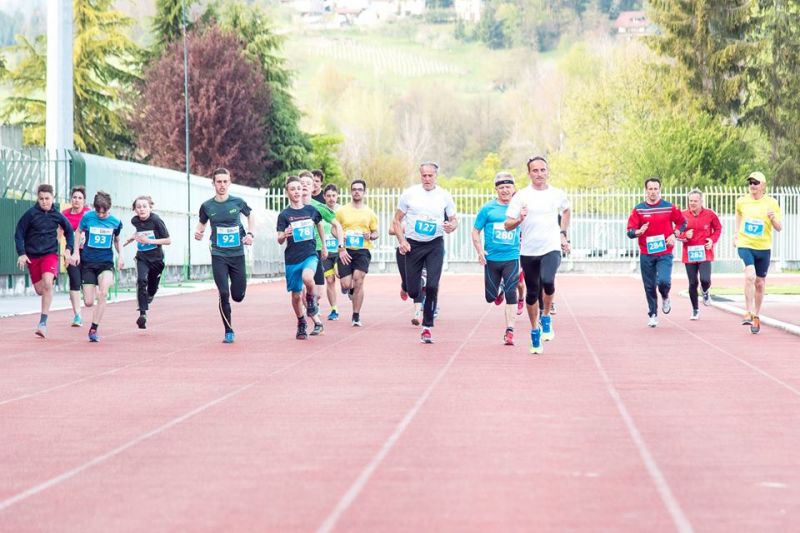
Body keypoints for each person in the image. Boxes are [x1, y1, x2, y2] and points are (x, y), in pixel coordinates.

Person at [505, 156, 571, 355]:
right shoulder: (521, 196)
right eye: (535, 170)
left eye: (543, 170)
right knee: (532, 292)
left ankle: (546, 316)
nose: (539, 174)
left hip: (551, 247)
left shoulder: (557, 194)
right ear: (529, 174)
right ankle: (535, 330)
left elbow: (566, 210)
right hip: (529, 251)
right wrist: (520, 219)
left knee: (548, 281)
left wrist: (563, 233)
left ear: (547, 171)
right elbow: (507, 224)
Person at [392, 162, 457, 344]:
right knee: (413, 291)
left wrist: (451, 226)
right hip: (413, 245)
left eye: (430, 176)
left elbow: (454, 220)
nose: (427, 179)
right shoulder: (409, 194)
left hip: (435, 245)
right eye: (424, 175)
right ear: (420, 176)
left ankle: (427, 327)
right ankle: (408, 287)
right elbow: (396, 220)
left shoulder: (444, 196)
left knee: (432, 286)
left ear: (436, 176)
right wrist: (402, 241)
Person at [194, 168, 255, 344]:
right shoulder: (207, 206)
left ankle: (237, 292)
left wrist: (250, 234)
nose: (222, 185)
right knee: (223, 293)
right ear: (213, 183)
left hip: (237, 254)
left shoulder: (238, 202)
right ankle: (228, 330)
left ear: (229, 183)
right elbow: (201, 224)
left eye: (225, 181)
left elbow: (251, 215)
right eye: (219, 182)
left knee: (238, 296)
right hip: (218, 254)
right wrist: (198, 232)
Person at [15, 183, 76, 338]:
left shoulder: (57, 215)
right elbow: (19, 233)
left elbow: (69, 232)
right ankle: (49, 283)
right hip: (33, 256)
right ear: (38, 198)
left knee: (48, 283)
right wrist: (21, 253)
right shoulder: (30, 214)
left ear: (52, 198)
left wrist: (68, 249)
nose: (44, 202)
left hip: (50, 254)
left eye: (47, 198)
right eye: (41, 198)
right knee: (40, 290)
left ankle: (42, 323)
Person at [626, 177, 686, 328]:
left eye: (655, 189)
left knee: (664, 281)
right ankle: (653, 314)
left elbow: (682, 222)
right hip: (646, 253)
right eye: (650, 189)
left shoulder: (669, 207)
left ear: (659, 190)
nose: (653, 192)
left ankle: (665, 296)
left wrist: (674, 234)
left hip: (664, 251)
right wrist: (638, 232)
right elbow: (630, 231)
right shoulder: (639, 209)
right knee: (649, 285)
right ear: (646, 191)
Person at [277, 176, 331, 340]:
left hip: (310, 254)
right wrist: (284, 234)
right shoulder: (284, 215)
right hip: (293, 258)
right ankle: (301, 322)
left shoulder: (311, 210)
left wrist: (324, 245)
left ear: (302, 191)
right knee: (295, 296)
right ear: (287, 192)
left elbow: (319, 225)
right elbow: (279, 239)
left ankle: (311, 301)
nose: (296, 192)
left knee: (308, 277)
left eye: (298, 188)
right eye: (292, 189)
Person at [472, 172, 521, 345]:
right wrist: (480, 251)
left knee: (511, 292)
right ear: (496, 190)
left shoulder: (519, 208)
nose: (505, 190)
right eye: (501, 187)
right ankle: (498, 290)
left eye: (508, 187)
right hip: (491, 258)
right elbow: (475, 231)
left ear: (513, 188)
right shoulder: (488, 209)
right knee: (490, 297)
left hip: (512, 257)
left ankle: (510, 331)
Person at [734, 171, 783, 334]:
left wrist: (773, 218)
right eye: (750, 183)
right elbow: (738, 216)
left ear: (763, 185)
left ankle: (756, 315)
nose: (752, 186)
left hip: (763, 247)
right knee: (750, 275)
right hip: (745, 244)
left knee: (760, 283)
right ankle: (747, 312)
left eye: (756, 183)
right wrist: (736, 234)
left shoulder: (772, 203)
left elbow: (779, 228)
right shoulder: (741, 201)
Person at [76, 191, 124, 342]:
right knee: (88, 302)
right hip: (88, 263)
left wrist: (121, 255)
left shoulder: (115, 222)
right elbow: (78, 232)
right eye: (98, 212)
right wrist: (76, 252)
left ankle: (93, 329)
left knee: (103, 293)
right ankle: (88, 288)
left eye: (104, 212)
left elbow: (117, 240)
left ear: (109, 208)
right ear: (94, 208)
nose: (101, 215)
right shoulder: (87, 217)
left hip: (105, 263)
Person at [299, 171, 342, 335]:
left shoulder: (318, 208)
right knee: (298, 292)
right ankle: (311, 320)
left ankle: (311, 307)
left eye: (308, 183)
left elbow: (335, 225)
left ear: (313, 188)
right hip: (297, 252)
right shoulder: (289, 209)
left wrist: (334, 245)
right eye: (301, 183)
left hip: (314, 250)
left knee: (316, 293)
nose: (304, 186)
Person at [336, 179, 379, 327]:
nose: (357, 192)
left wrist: (370, 236)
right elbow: (335, 228)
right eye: (354, 189)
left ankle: (356, 315)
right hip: (345, 250)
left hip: (362, 250)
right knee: (346, 283)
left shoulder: (369, 212)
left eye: (360, 189)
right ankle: (350, 289)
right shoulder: (342, 211)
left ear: (364, 192)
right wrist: (341, 238)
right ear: (351, 192)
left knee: (358, 280)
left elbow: (376, 233)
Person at [124, 196, 171, 329]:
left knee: (152, 288)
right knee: (141, 280)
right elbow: (139, 231)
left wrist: (149, 241)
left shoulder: (156, 221)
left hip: (156, 259)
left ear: (150, 208)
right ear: (135, 210)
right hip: (142, 257)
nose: (142, 209)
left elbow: (168, 240)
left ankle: (151, 294)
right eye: (138, 207)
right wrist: (132, 238)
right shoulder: (135, 220)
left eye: (144, 206)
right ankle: (142, 314)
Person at [678, 189, 722, 320]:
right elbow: (676, 233)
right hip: (689, 254)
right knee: (692, 283)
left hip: (705, 253)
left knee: (705, 280)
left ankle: (705, 291)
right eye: (690, 201)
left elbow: (718, 228)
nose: (692, 203)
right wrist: (684, 235)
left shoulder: (710, 214)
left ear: (701, 201)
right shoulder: (682, 215)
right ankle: (695, 309)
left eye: (695, 201)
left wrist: (712, 240)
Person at [61, 186, 90, 327]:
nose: (76, 200)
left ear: (84, 201)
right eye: (74, 197)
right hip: (71, 252)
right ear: (71, 199)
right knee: (75, 281)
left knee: (88, 292)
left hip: (88, 252)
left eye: (80, 198)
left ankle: (84, 295)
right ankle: (77, 315)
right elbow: (58, 235)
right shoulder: (64, 214)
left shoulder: (88, 214)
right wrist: (64, 253)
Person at [321, 184, 341, 320]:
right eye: (328, 196)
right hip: (326, 251)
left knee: (341, 276)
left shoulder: (342, 211)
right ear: (324, 197)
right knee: (329, 280)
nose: (331, 198)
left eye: (333, 195)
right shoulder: (320, 211)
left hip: (340, 250)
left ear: (337, 196)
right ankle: (334, 309)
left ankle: (349, 288)